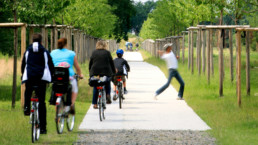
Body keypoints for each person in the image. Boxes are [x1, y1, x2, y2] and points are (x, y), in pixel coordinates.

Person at [21, 33, 54, 134]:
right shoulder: (45, 51)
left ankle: (26, 107)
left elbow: (23, 65)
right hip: (41, 79)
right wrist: (52, 76)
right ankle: (43, 128)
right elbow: (50, 65)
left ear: (32, 40)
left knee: (27, 92)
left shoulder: (27, 51)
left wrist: (23, 75)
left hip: (30, 77)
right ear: (41, 41)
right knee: (42, 102)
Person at [50, 38, 83, 114]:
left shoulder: (52, 52)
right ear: (66, 44)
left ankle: (57, 114)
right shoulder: (71, 53)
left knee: (57, 90)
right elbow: (77, 67)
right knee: (75, 89)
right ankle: (70, 104)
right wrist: (80, 75)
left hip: (55, 77)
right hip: (68, 77)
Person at [89, 40, 116, 109]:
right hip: (106, 71)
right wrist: (113, 72)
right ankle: (108, 95)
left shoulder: (94, 52)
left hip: (95, 71)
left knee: (96, 85)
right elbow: (111, 63)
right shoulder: (107, 52)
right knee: (107, 82)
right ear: (105, 45)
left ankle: (95, 104)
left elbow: (91, 63)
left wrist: (90, 72)